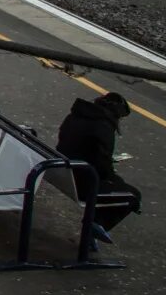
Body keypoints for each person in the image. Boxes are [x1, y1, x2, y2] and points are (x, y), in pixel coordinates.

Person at [56, 91, 141, 244]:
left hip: (61, 171)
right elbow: (102, 167)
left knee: (117, 185)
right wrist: (114, 176)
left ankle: (93, 229)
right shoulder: (103, 127)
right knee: (133, 195)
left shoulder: (74, 115)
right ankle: (95, 225)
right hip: (83, 183)